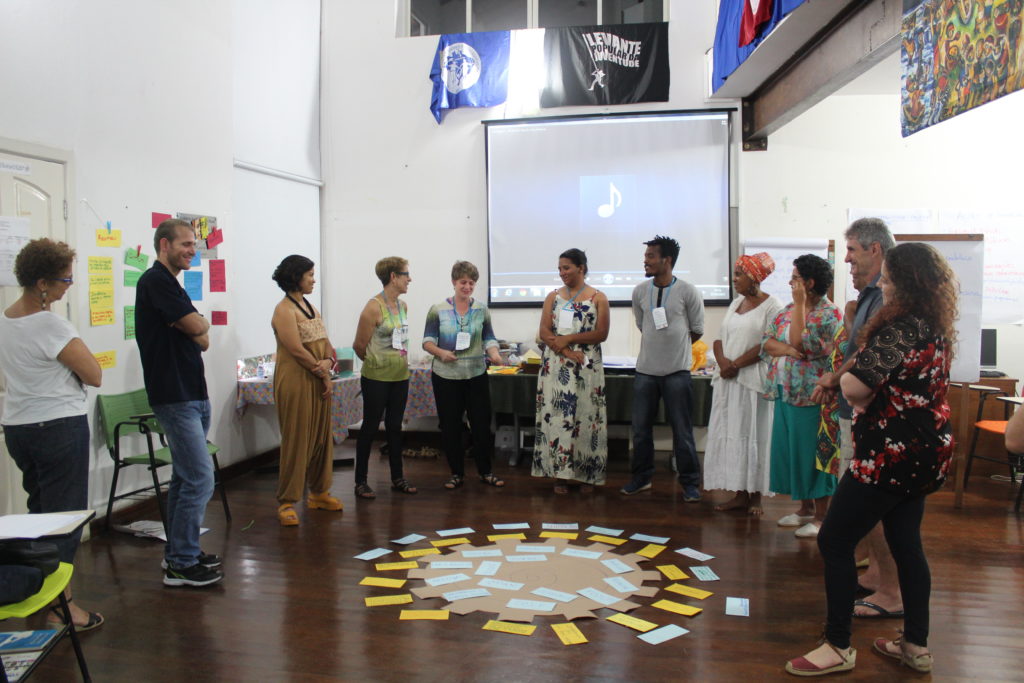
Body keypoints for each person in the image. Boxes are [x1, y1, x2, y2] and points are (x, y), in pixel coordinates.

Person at [786, 242, 957, 676]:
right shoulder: (932, 325)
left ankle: (838, 645)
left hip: (888, 455)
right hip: (925, 454)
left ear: (904, 281)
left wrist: (844, 381)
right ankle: (915, 644)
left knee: (835, 540)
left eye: (888, 277)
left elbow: (857, 389)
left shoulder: (898, 329)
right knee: (907, 544)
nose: (882, 283)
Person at [0, 238, 104, 629]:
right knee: (64, 522)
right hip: (58, 428)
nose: (68, 287)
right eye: (64, 280)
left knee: (39, 517)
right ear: (42, 283)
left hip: (19, 429)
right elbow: (94, 374)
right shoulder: (50, 323)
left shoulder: (6, 318)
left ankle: (36, 594)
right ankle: (64, 606)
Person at [812, 218, 902, 620]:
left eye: (851, 250)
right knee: (868, 509)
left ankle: (891, 591)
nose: (845, 259)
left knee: (870, 508)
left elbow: (869, 355)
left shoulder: (886, 296)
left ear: (876, 250)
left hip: (872, 414)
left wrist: (836, 377)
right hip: (856, 410)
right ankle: (878, 577)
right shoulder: (869, 294)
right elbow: (859, 343)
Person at [136, 219, 223, 587]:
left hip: (192, 391)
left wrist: (195, 325)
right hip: (174, 395)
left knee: (186, 476)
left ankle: (179, 552)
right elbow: (196, 328)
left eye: (194, 245)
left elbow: (201, 335)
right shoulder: (154, 280)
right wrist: (194, 326)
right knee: (201, 477)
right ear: (164, 244)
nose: (192, 250)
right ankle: (180, 564)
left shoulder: (172, 283)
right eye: (186, 244)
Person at [763, 254, 845, 539]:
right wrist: (786, 350)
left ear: (810, 283)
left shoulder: (828, 313)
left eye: (796, 278)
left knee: (813, 455)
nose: (790, 282)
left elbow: (800, 342)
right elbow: (768, 343)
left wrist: (799, 309)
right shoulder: (786, 310)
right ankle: (805, 508)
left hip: (813, 397)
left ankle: (822, 516)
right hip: (786, 392)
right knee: (792, 453)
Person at [621, 235, 705, 501]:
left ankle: (690, 484)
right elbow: (641, 324)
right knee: (641, 430)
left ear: (666, 260)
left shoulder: (688, 291)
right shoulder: (639, 291)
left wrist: (675, 349)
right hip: (645, 371)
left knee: (682, 430)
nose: (645, 261)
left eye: (651, 256)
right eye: (646, 256)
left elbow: (697, 329)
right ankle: (641, 478)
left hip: (677, 372)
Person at [705, 252, 783, 516]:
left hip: (752, 382)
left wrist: (735, 365)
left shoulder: (773, 306)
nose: (734, 279)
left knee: (754, 434)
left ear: (755, 277)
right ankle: (739, 493)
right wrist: (724, 362)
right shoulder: (735, 303)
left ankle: (756, 496)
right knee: (733, 434)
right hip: (728, 380)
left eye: (739, 274)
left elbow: (766, 344)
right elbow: (718, 338)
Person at [270, 255, 343, 526]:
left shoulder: (310, 306)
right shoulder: (283, 310)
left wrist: (327, 365)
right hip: (295, 380)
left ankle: (319, 492)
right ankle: (287, 501)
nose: (314, 279)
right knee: (297, 439)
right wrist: (321, 369)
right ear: (296, 276)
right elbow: (295, 349)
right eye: (310, 274)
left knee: (321, 438)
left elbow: (324, 341)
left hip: (317, 377)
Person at [422, 261, 505, 489]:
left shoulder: (481, 310)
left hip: (476, 374)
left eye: (471, 283)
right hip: (446, 377)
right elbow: (427, 342)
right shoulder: (437, 310)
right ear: (454, 282)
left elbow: (489, 338)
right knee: (450, 426)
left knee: (481, 425)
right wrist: (441, 353)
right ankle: (456, 473)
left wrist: (495, 355)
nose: (467, 287)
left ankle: (485, 471)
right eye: (463, 282)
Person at [532, 248, 609, 494]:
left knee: (587, 417)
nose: (562, 273)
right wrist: (567, 351)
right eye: (560, 268)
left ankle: (587, 474)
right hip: (556, 367)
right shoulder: (552, 297)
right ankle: (560, 475)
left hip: (586, 368)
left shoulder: (598, 297)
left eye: (566, 267)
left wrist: (571, 339)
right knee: (559, 418)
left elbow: (601, 333)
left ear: (581, 268)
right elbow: (545, 332)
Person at [353, 256, 417, 498]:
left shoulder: (403, 306)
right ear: (393, 277)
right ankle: (360, 482)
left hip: (400, 377)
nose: (409, 279)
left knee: (394, 427)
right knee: (370, 427)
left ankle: (398, 477)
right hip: (376, 378)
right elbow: (359, 346)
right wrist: (377, 363)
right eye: (405, 274)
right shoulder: (373, 307)